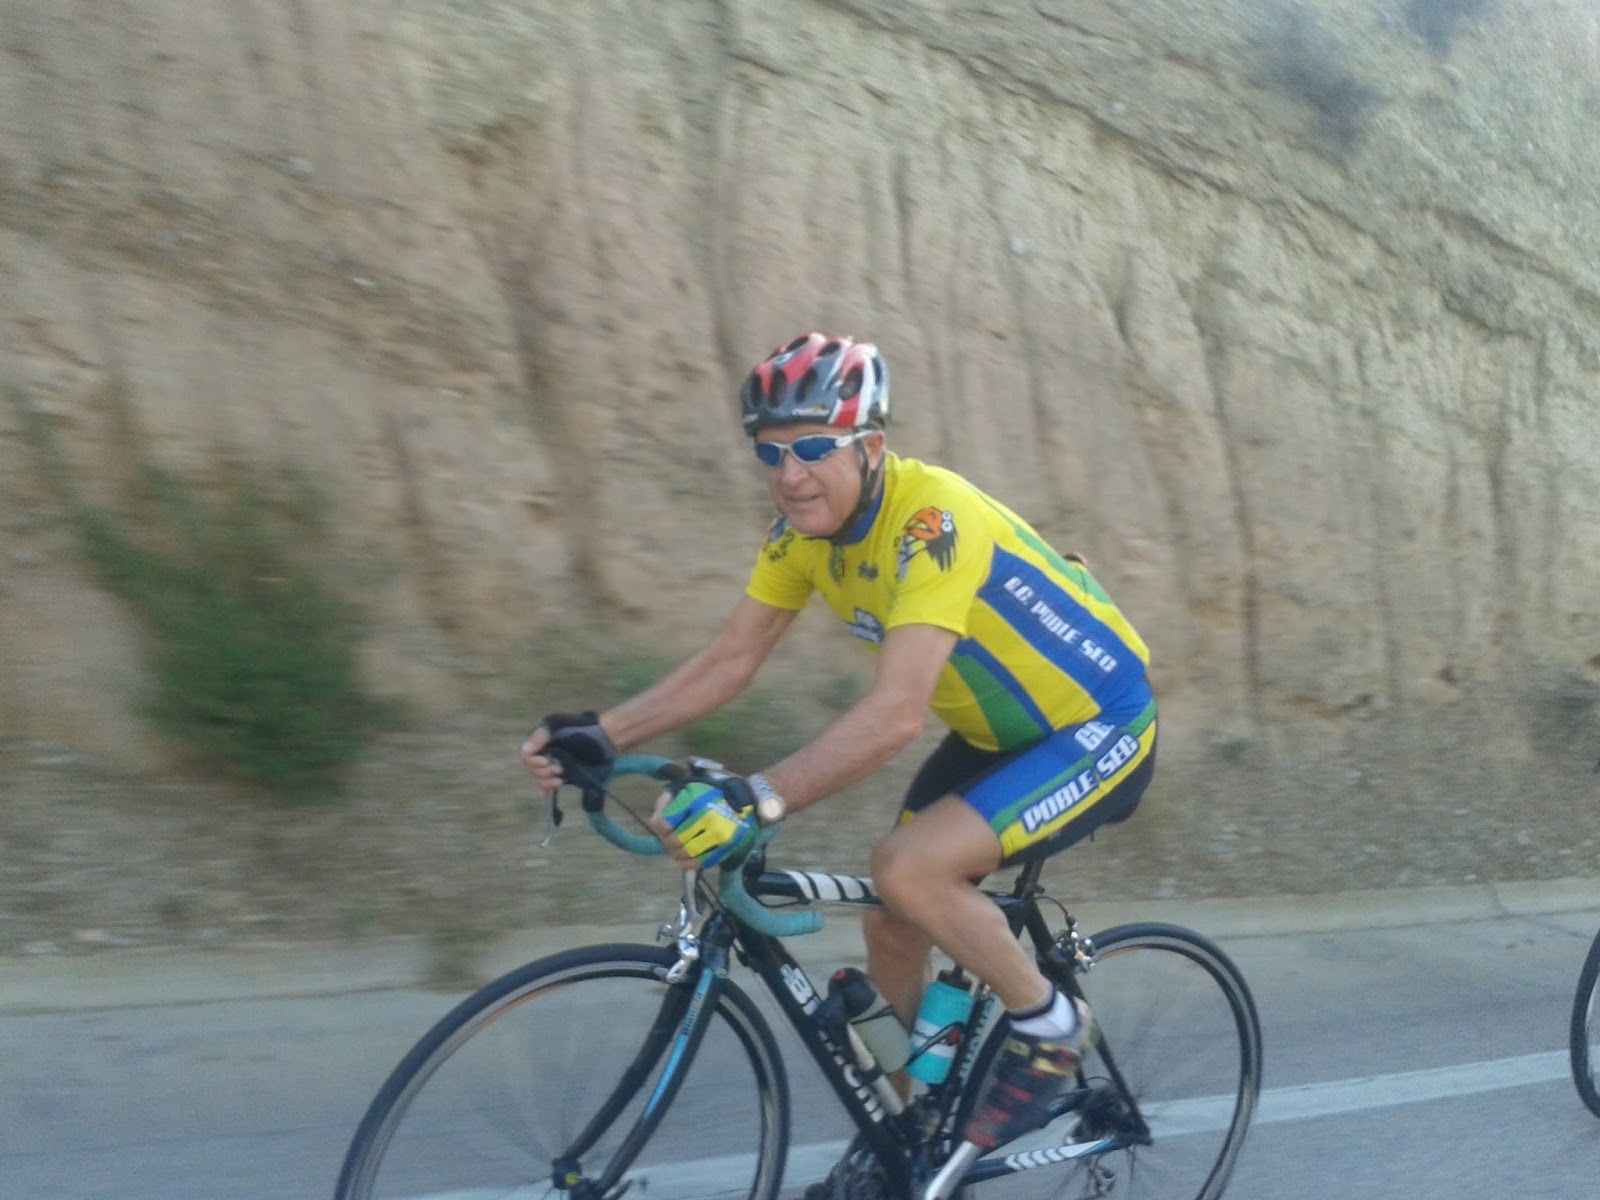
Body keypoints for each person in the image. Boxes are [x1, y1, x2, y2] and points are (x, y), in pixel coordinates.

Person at [521, 331, 1158, 1160]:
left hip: (1099, 724)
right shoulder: (798, 539)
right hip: (992, 737)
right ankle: (905, 1134)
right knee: (894, 926)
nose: (791, 474)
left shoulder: (932, 520)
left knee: (908, 868)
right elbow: (732, 658)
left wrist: (759, 798)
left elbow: (895, 715)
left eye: (816, 448)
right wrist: (602, 733)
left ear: (872, 448)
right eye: (771, 452)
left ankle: (1050, 1024)